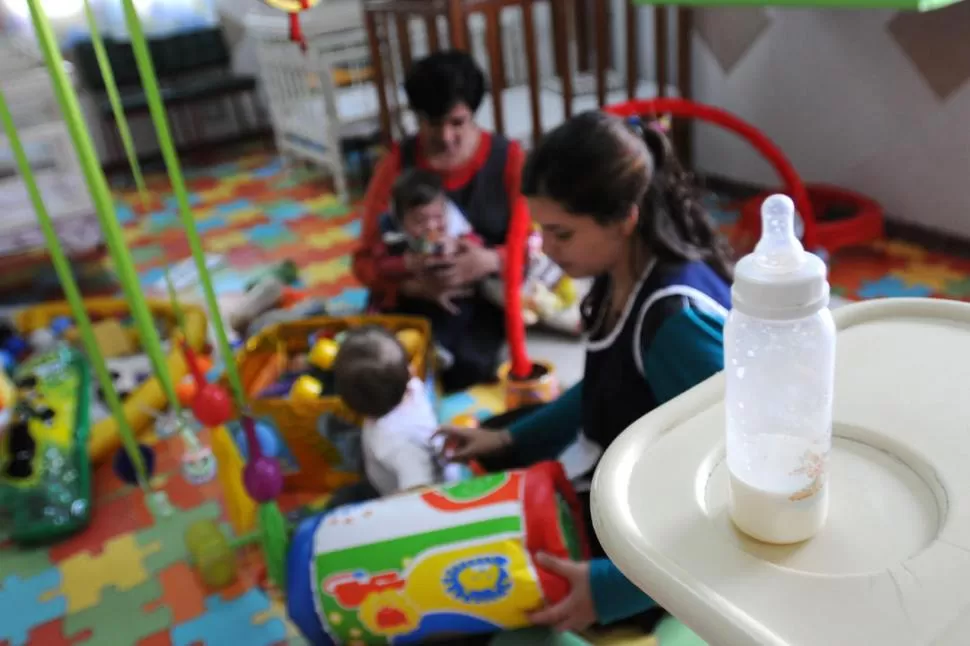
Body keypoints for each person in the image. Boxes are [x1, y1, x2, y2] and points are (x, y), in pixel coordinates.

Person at [436, 111, 734, 634]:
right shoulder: (620, 271)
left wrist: (608, 589)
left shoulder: (675, 326)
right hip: (615, 476)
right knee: (493, 444)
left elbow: (732, 496)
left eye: (561, 233)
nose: (545, 250)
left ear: (624, 218)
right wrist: (506, 441)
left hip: (659, 554)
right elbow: (600, 391)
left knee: (478, 602)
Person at [353, 50, 526, 393]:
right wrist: (413, 286)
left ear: (474, 115)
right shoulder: (396, 165)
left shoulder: (508, 159)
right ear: (417, 118)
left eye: (457, 122)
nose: (446, 137)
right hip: (412, 295)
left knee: (468, 368)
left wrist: (490, 260)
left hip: (483, 298)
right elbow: (363, 262)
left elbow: (535, 246)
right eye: (434, 124)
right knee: (373, 370)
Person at [332, 326, 464, 499]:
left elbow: (420, 491)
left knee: (343, 499)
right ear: (410, 372)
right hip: (385, 465)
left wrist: (392, 503)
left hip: (402, 487)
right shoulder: (412, 386)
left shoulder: (400, 445)